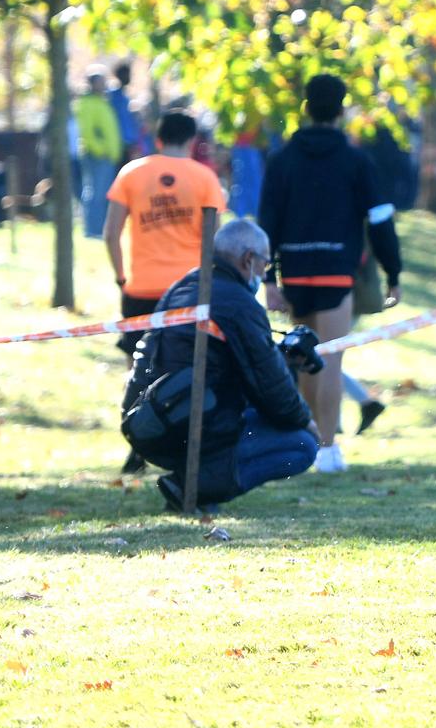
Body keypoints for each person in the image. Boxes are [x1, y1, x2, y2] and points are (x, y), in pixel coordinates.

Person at [120, 219, 319, 512]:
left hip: (146, 422)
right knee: (301, 445)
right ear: (248, 259)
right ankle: (196, 486)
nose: (264, 274)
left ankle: (197, 481)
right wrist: (306, 420)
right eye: (265, 265)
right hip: (190, 425)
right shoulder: (239, 303)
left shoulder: (183, 287)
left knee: (261, 414)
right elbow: (271, 386)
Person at [259, 75, 403, 473]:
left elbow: (267, 221)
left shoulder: (282, 158)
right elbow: (379, 219)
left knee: (306, 359)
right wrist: (393, 271)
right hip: (338, 272)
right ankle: (326, 448)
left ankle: (309, 444)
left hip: (295, 270)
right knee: (331, 359)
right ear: (341, 110)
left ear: (306, 108)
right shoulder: (356, 160)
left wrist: (268, 278)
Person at [106, 112, 228, 365]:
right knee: (186, 370)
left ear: (158, 139)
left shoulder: (131, 173)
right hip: (190, 288)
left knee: (137, 370)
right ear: (192, 141)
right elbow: (215, 239)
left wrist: (121, 277)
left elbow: (110, 234)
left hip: (141, 286)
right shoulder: (205, 177)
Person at [75, 67, 123, 239]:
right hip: (97, 156)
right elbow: (87, 132)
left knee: (102, 194)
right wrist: (100, 150)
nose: (105, 85)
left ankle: (100, 229)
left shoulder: (102, 101)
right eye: (101, 82)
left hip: (107, 156)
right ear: (92, 84)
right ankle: (93, 230)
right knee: (95, 193)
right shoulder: (87, 103)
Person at [109, 61, 148, 161]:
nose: (129, 77)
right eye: (126, 74)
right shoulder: (113, 95)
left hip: (130, 142)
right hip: (120, 143)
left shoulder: (125, 96)